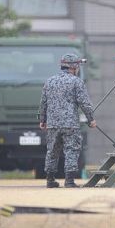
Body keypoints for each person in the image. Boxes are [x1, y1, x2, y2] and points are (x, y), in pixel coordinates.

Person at [40, 53, 96, 188]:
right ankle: (69, 181)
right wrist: (91, 119)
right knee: (71, 150)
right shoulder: (76, 81)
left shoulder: (50, 81)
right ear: (74, 67)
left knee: (52, 151)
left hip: (53, 124)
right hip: (70, 124)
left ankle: (50, 180)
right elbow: (84, 103)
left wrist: (42, 119)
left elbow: (43, 103)